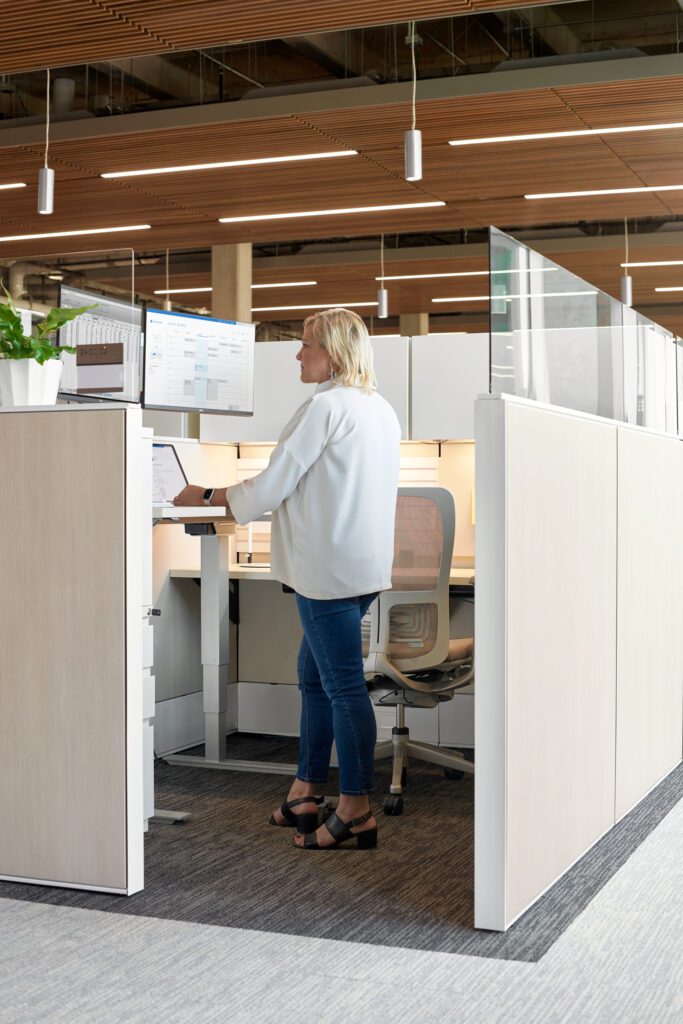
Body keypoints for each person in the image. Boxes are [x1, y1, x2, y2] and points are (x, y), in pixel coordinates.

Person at [173, 307, 400, 851]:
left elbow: (273, 486)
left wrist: (206, 495)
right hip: (361, 570)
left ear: (335, 354)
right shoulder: (379, 408)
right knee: (315, 677)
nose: (298, 355)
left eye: (306, 346)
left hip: (325, 573)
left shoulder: (324, 408)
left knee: (342, 686)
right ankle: (304, 789)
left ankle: (356, 808)